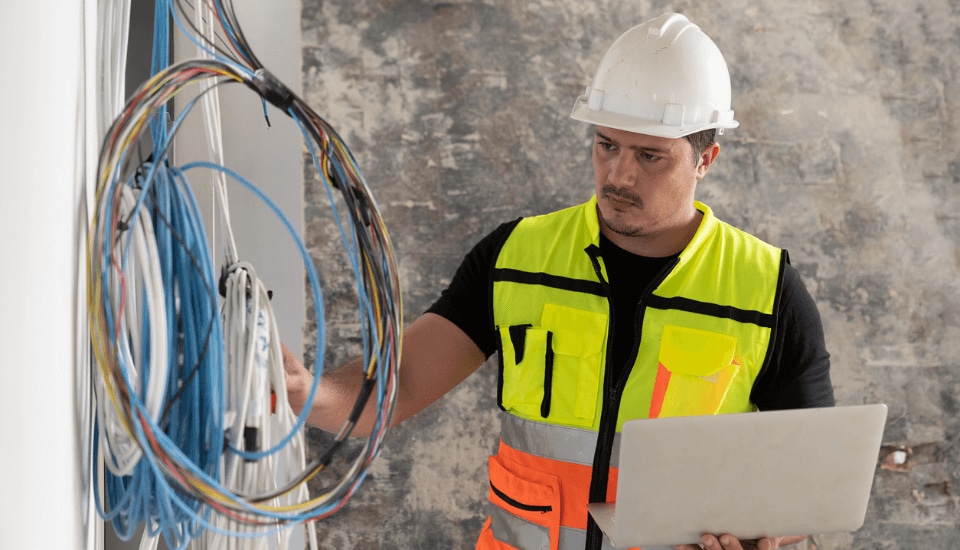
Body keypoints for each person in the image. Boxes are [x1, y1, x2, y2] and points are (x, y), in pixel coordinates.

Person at [282, 12, 834, 550]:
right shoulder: (518, 256)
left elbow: (812, 481)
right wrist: (310, 394)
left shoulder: (765, 290)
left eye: (650, 156)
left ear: (704, 159)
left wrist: (757, 534)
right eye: (606, 145)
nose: (619, 174)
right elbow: (399, 382)